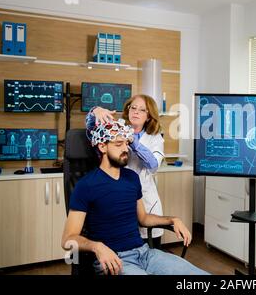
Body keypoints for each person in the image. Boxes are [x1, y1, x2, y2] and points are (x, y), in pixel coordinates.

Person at [61, 119, 208, 275]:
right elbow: (67, 239)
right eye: (118, 144)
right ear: (102, 146)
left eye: (126, 143)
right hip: (115, 259)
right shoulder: (86, 185)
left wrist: (173, 219)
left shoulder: (131, 178)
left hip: (145, 254)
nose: (125, 149)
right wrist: (98, 247)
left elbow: (143, 218)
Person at [86, 95, 164, 248]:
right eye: (133, 108)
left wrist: (133, 141)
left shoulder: (155, 138)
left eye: (142, 110)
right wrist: (96, 110)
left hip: (146, 202)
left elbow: (153, 165)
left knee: (150, 253)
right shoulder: (115, 130)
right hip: (118, 197)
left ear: (149, 117)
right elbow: (90, 130)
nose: (136, 112)